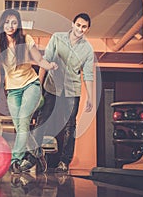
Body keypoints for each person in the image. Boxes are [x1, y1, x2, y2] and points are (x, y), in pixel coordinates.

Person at [0, 9, 58, 174]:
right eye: (7, 22)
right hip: (12, 90)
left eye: (14, 22)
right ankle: (37, 152)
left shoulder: (26, 39)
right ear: (2, 24)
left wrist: (49, 65)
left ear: (18, 25)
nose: (10, 26)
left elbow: (39, 60)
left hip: (31, 85)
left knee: (23, 119)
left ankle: (15, 160)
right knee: (20, 126)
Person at [33, 13, 94, 173]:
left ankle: (64, 162)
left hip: (72, 90)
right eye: (78, 25)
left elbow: (88, 74)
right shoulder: (57, 38)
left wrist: (90, 97)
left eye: (84, 27)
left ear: (87, 29)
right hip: (52, 86)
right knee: (41, 120)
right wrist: (38, 86)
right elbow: (45, 61)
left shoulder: (87, 49)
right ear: (73, 24)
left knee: (70, 126)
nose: (80, 29)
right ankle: (33, 157)